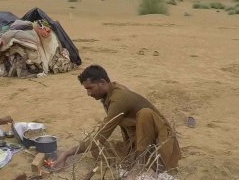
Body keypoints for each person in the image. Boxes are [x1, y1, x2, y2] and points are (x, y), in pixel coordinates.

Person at [53, 65, 181, 171]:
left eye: (90, 88)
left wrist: (67, 154)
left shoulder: (119, 98)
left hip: (162, 145)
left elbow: (100, 135)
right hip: (139, 142)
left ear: (102, 82)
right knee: (98, 150)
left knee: (145, 114)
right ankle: (138, 160)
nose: (89, 93)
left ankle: (140, 165)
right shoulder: (109, 93)